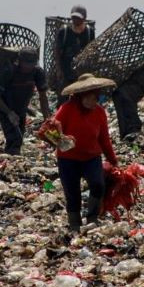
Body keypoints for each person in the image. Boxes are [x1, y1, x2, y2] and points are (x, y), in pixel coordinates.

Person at [53, 73, 119, 232]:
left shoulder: (99, 112)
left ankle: (92, 218)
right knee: (72, 192)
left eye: (95, 98)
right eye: (88, 98)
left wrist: (113, 160)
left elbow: (104, 139)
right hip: (68, 158)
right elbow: (54, 128)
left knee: (98, 185)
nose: (92, 102)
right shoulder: (67, 109)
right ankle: (75, 224)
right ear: (80, 96)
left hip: (91, 157)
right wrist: (60, 137)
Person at [0, 48, 51, 155]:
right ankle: (11, 162)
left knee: (19, 139)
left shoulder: (37, 72)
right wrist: (9, 113)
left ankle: (11, 161)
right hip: (5, 109)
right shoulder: (9, 71)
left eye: (31, 64)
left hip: (21, 110)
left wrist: (47, 118)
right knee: (14, 140)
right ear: (19, 61)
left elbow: (43, 96)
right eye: (25, 63)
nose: (28, 67)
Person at [55, 5, 95, 106]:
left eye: (78, 17)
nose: (75, 19)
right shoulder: (64, 31)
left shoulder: (89, 32)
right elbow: (57, 51)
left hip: (82, 73)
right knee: (63, 99)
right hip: (66, 72)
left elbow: (92, 51)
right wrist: (59, 70)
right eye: (74, 17)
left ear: (84, 18)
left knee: (81, 100)